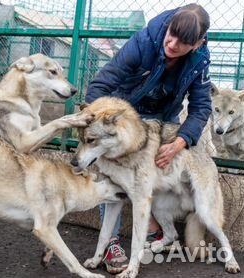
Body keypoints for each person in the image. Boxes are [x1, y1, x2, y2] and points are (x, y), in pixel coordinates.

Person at [85, 3, 211, 274]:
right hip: (128, 112)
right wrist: (100, 122)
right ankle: (112, 243)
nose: (173, 43)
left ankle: (157, 233)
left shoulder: (201, 60)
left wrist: (181, 142)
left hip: (165, 117)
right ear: (169, 26)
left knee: (154, 173)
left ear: (198, 43)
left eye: (184, 41)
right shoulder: (144, 41)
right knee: (111, 176)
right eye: (172, 34)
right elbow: (101, 84)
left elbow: (201, 108)